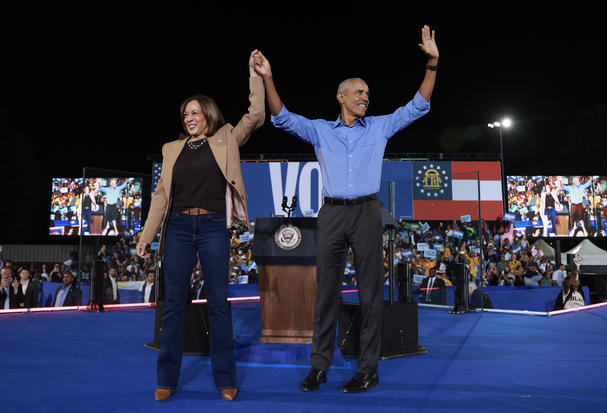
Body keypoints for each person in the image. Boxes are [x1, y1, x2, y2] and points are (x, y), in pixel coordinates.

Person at [253, 25, 438, 393]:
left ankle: (367, 370)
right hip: (333, 214)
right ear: (341, 97)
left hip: (368, 212)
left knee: (370, 294)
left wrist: (432, 64)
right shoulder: (321, 130)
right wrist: (268, 79)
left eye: (368, 93)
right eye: (358, 92)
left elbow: (417, 106)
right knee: (326, 295)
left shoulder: (380, 127)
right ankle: (318, 367)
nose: (365, 97)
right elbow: (282, 117)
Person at [136, 50, 265, 402]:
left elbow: (255, 115)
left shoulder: (226, 139)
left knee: (219, 304)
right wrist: (146, 237)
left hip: (212, 229)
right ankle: (167, 378)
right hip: (177, 228)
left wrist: (255, 74)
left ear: (207, 113)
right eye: (185, 114)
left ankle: (225, 378)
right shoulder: (171, 149)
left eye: (194, 112)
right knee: (174, 304)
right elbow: (161, 196)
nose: (189, 118)